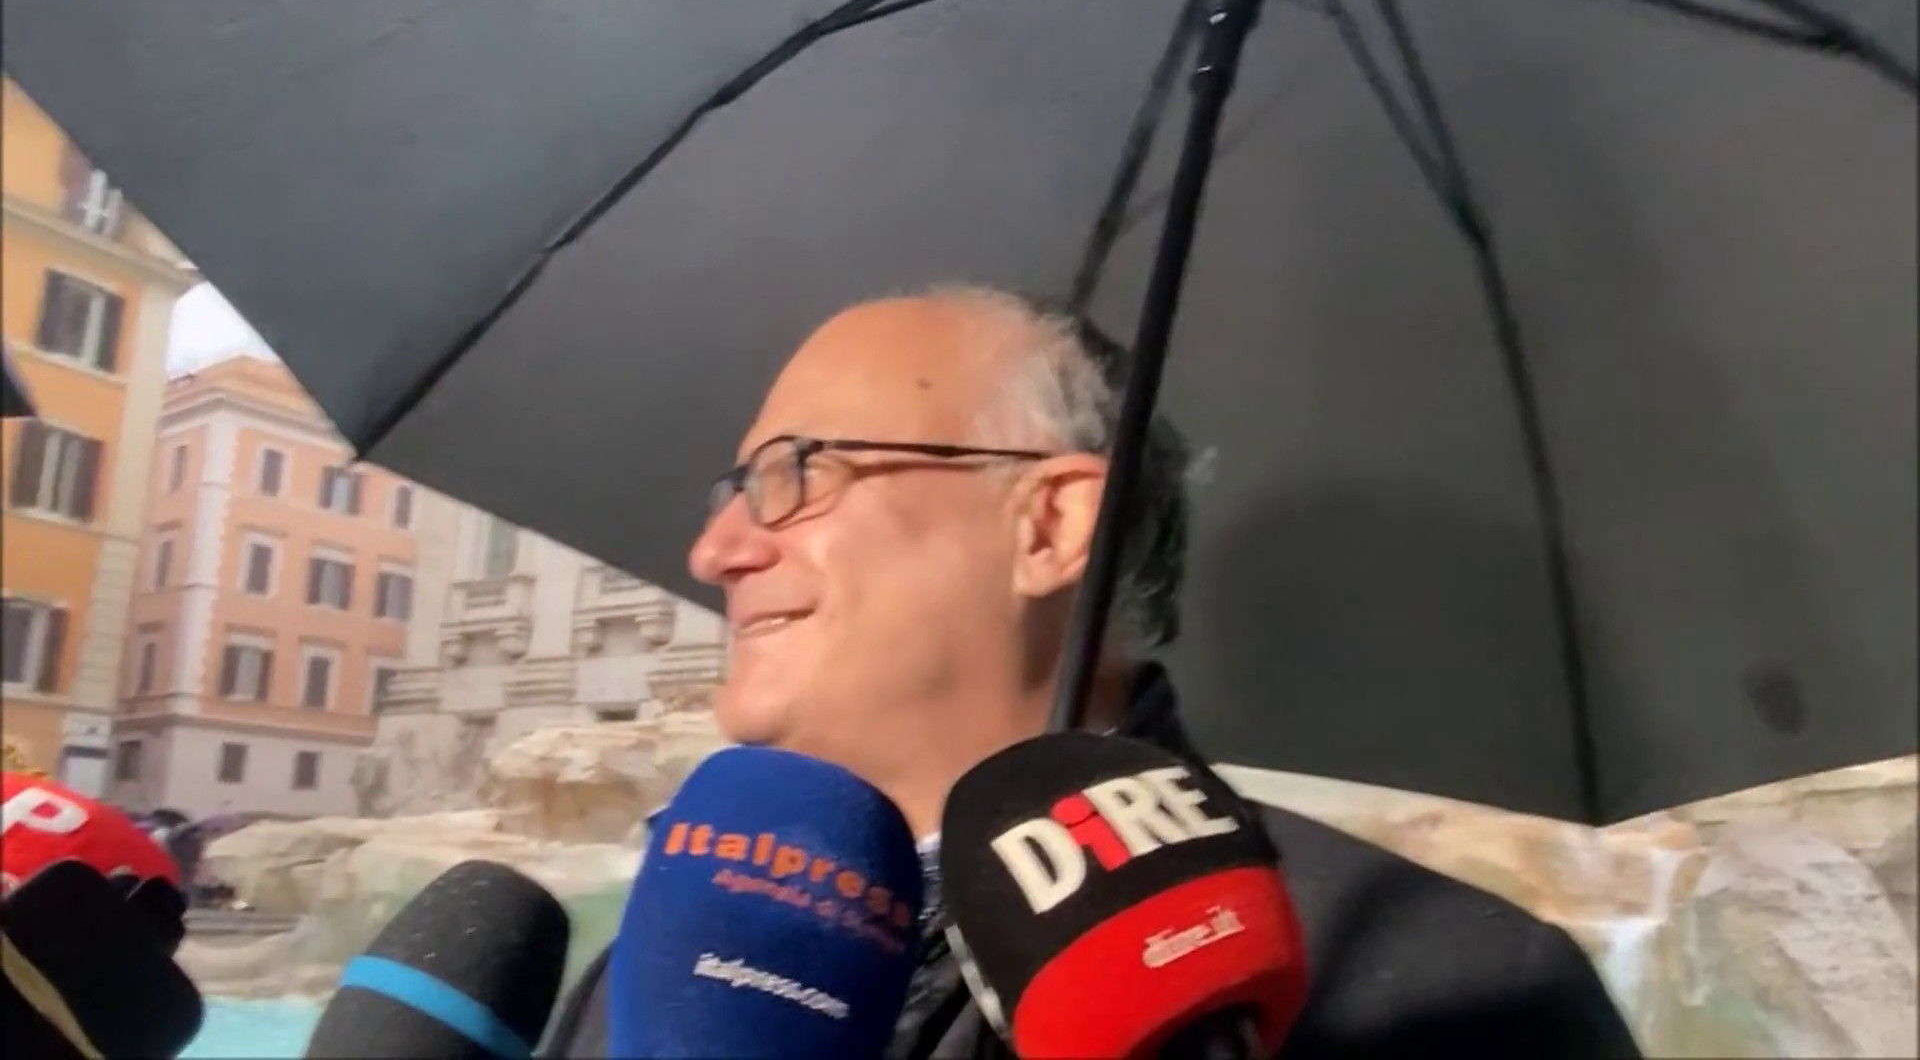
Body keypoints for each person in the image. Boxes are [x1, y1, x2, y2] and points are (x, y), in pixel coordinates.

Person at [539, 285, 1641, 1058]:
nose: (717, 550)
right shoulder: (654, 980)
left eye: (796, 472)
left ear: (1052, 526)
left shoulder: (1445, 987)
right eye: (733, 490)